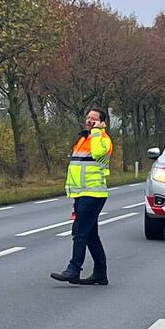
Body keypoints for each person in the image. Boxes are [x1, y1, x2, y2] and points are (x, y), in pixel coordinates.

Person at [51, 108, 113, 285]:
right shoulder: (83, 139)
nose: (89, 121)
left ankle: (74, 269)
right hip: (81, 193)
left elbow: (97, 153)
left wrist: (97, 131)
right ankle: (100, 273)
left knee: (79, 232)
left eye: (94, 119)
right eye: (88, 118)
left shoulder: (103, 139)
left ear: (102, 123)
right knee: (91, 235)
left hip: (94, 193)